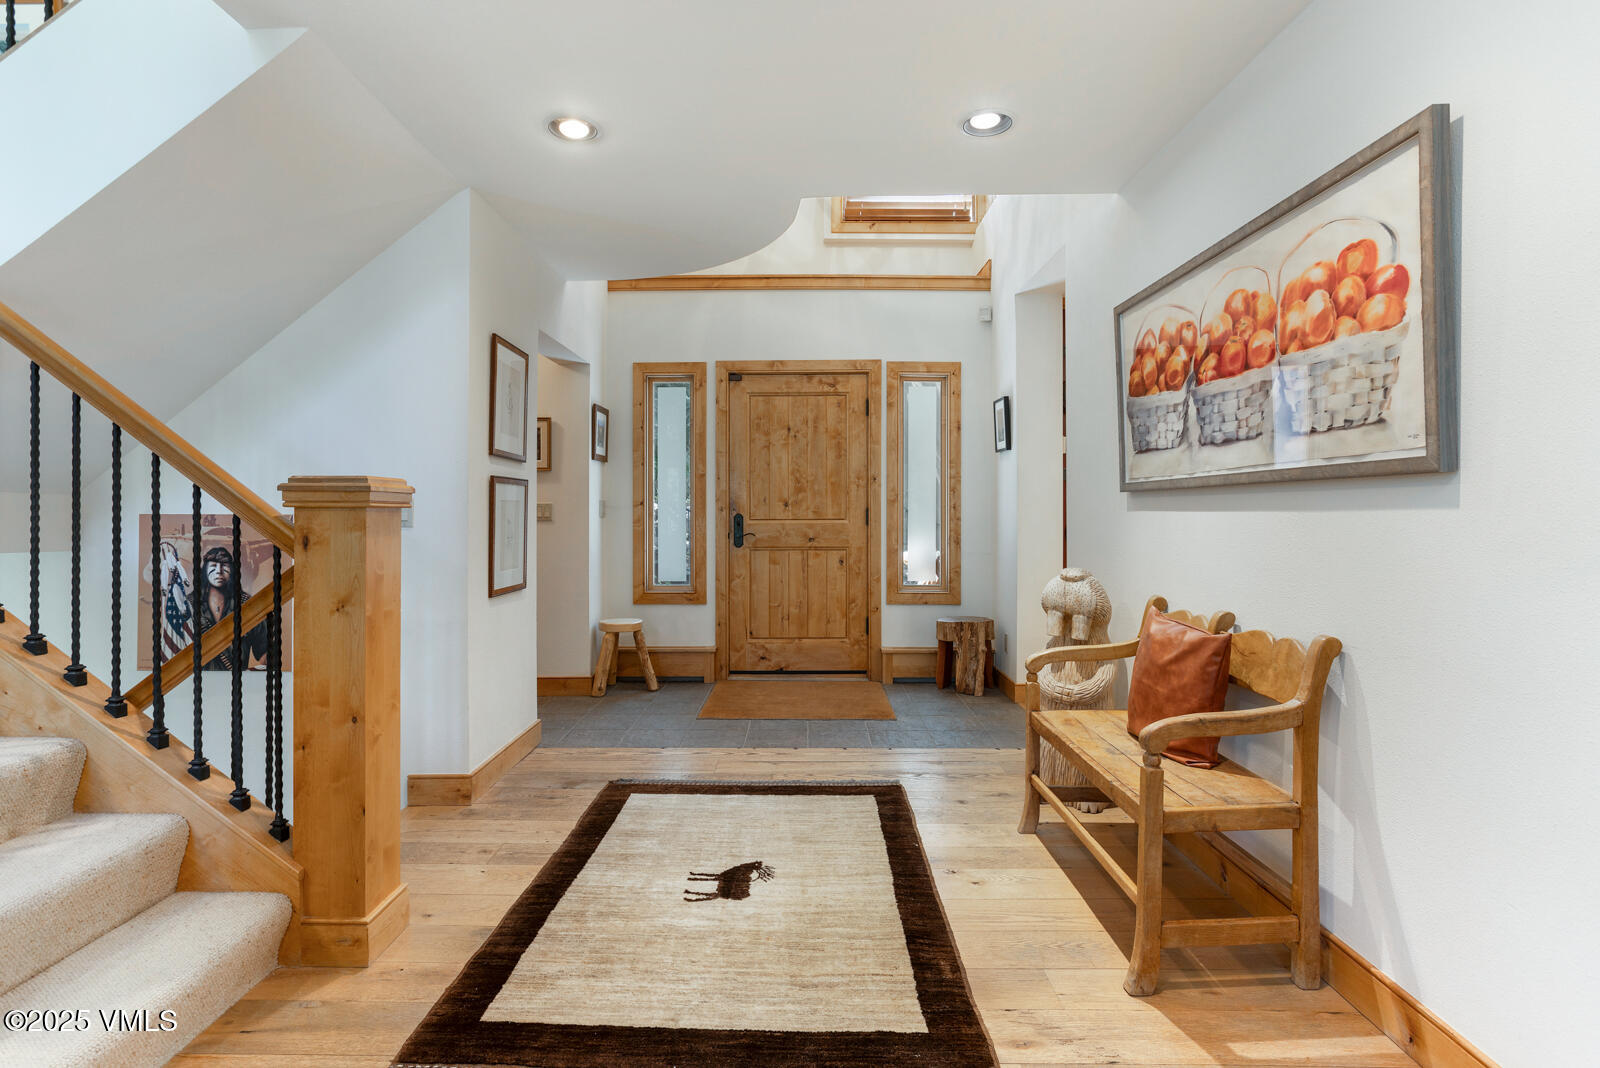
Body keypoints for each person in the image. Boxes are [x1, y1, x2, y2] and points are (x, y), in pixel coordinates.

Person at [196, 545, 268, 671]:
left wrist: (251, 676)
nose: (219, 571)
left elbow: (265, 652)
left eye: (224, 565)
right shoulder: (189, 605)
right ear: (205, 570)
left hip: (236, 685)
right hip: (196, 685)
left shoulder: (248, 606)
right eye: (213, 566)